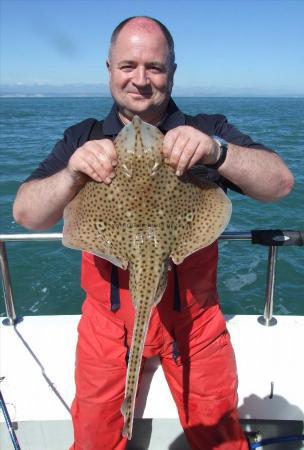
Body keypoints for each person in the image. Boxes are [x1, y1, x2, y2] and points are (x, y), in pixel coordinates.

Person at [13, 16, 294, 450]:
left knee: (219, 440)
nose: (140, 79)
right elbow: (27, 215)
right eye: (128, 66)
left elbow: (280, 184)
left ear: (172, 72)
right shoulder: (82, 137)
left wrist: (217, 151)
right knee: (95, 437)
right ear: (108, 68)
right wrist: (72, 173)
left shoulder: (207, 128)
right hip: (107, 327)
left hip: (195, 324)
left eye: (154, 67)